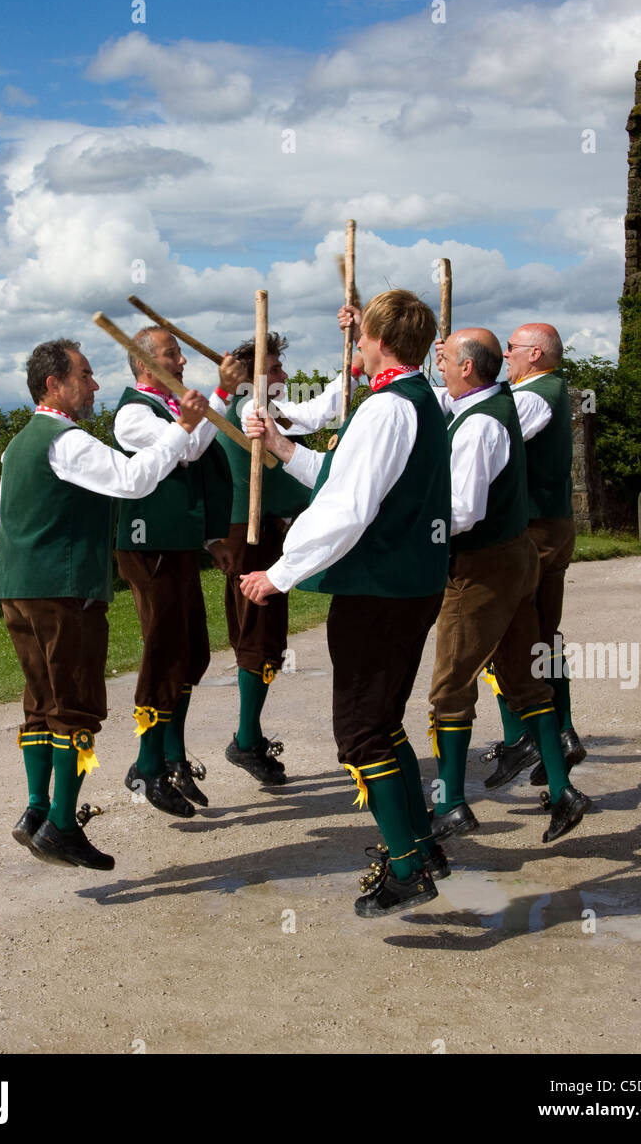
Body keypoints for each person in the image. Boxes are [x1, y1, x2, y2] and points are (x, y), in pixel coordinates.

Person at [240, 290, 451, 918]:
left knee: (362, 732)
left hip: (379, 591)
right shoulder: (417, 400)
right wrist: (281, 447)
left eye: (361, 338)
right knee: (383, 721)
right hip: (406, 586)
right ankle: (421, 846)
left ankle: (409, 868)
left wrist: (279, 572)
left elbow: (347, 508)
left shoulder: (387, 408)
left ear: (381, 341)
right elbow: (342, 473)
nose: (354, 346)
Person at [0, 338, 207, 870]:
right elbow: (134, 481)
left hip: (18, 589)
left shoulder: (17, 444)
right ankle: (62, 827)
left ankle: (37, 809)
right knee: (75, 706)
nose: (94, 386)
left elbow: (6, 521)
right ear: (54, 384)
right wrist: (181, 429)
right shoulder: (67, 441)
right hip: (64, 591)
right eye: (85, 376)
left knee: (40, 703)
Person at [428, 329, 589, 846]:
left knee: (450, 687)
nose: (443, 368)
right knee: (525, 677)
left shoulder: (490, 419)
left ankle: (451, 803)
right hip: (516, 553)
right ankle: (563, 791)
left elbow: (462, 512)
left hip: (484, 564)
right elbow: (439, 398)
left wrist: (407, 525)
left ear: (469, 369)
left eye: (448, 360)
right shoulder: (498, 402)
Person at [113, 327, 245, 817]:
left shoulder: (172, 409)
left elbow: (201, 469)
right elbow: (185, 450)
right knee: (166, 652)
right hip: (149, 549)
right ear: (146, 365)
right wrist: (223, 392)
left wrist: (212, 540)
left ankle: (171, 755)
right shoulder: (132, 414)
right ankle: (147, 765)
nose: (183, 361)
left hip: (180, 547)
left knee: (193, 655)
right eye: (172, 354)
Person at [218, 332, 359, 785]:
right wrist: (353, 367)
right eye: (276, 370)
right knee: (257, 636)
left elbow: (319, 412)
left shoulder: (266, 407)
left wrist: (353, 364)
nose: (285, 376)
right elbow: (315, 415)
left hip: (265, 529)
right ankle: (245, 738)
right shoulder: (250, 409)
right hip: (251, 533)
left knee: (264, 636)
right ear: (255, 377)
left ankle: (249, 735)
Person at [479, 324, 587, 789]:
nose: (506, 355)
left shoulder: (535, 396)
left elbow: (495, 437)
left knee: (509, 632)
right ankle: (558, 735)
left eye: (512, 350)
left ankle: (525, 737)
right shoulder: (541, 389)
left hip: (536, 529)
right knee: (542, 637)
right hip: (551, 525)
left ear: (536, 354)